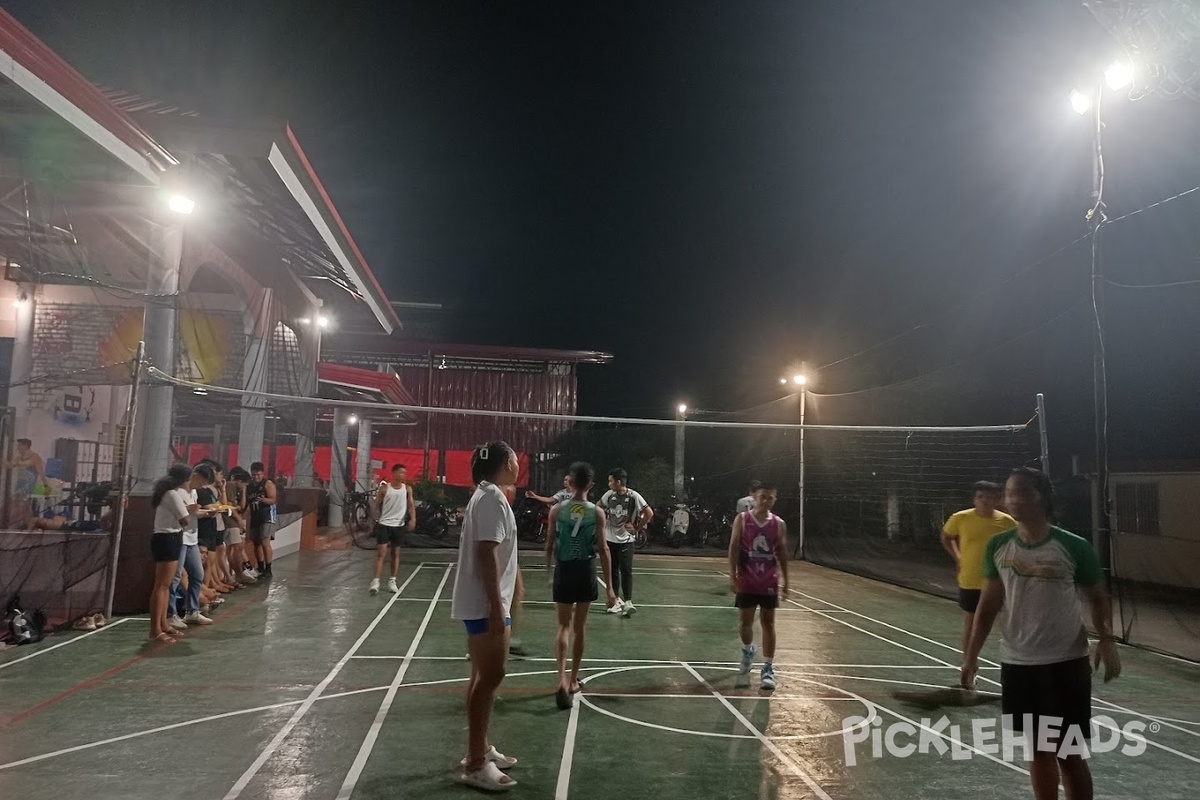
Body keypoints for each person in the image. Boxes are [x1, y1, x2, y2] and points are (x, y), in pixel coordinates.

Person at [962, 467, 1120, 800]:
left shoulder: (1073, 546)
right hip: (1019, 663)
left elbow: (1097, 597)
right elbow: (988, 606)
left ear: (1043, 498)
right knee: (1039, 751)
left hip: (1066, 663)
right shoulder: (999, 546)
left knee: (1069, 752)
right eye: (1008, 493)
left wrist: (1106, 639)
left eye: (1021, 492)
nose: (1011, 500)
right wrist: (971, 657)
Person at [450, 441, 522, 791]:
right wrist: (497, 607)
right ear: (506, 462)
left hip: (483, 602)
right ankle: (476, 764)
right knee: (491, 678)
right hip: (485, 605)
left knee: (481, 678)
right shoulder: (492, 498)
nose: (518, 463)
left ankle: (481, 749)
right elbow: (485, 552)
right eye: (514, 458)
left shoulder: (486, 494)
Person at [545, 462, 617, 709]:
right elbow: (604, 549)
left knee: (563, 626)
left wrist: (548, 569)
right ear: (591, 485)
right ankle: (574, 677)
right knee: (580, 625)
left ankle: (561, 679)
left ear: (570, 482)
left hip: (564, 568)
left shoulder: (557, 510)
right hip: (585, 570)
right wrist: (610, 588)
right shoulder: (596, 512)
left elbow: (549, 543)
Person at [941, 480, 1017, 658]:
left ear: (996, 500)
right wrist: (957, 556)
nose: (984, 501)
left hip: (997, 580)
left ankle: (1015, 659)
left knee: (998, 622)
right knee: (972, 621)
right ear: (974, 499)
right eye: (980, 497)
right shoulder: (961, 518)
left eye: (989, 497)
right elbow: (946, 536)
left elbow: (1019, 543)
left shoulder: (1007, 522)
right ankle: (969, 663)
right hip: (971, 578)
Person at [727, 482, 789, 690]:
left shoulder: (778, 524)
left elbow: (782, 552)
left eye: (770, 498)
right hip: (747, 578)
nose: (765, 501)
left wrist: (786, 581)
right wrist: (732, 575)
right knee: (745, 624)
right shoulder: (743, 520)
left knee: (768, 623)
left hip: (769, 580)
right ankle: (747, 650)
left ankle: (768, 668)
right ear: (754, 497)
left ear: (774, 500)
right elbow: (734, 547)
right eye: (762, 496)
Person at [598, 468, 652, 616]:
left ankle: (628, 601)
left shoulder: (634, 496)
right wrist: (603, 517)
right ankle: (614, 602)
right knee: (613, 570)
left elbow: (649, 513)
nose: (609, 484)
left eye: (610, 481)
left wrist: (637, 528)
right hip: (610, 538)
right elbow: (597, 507)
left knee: (626, 570)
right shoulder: (609, 495)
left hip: (627, 540)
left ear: (618, 482)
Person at [149, 464, 192, 644]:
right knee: (162, 586)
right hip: (168, 539)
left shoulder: (165, 492)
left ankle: (163, 624)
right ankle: (155, 630)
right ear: (184, 480)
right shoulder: (173, 495)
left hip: (165, 538)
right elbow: (186, 520)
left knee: (165, 586)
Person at [168, 464, 215, 627]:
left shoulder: (193, 493)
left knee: (197, 574)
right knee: (175, 577)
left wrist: (208, 513)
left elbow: (194, 514)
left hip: (192, 538)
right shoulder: (175, 493)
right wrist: (190, 509)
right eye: (201, 480)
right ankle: (171, 614)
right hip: (180, 538)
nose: (202, 485)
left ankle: (192, 611)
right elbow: (178, 514)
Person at [370, 463, 416, 595]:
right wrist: (374, 519)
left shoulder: (407, 489)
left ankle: (392, 581)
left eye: (405, 473)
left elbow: (411, 506)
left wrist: (413, 519)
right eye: (401, 473)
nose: (404, 475)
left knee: (395, 554)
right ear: (394, 473)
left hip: (399, 526)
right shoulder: (385, 489)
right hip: (385, 525)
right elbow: (375, 504)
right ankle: (375, 581)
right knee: (381, 554)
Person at [246, 462, 278, 578]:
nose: (256, 477)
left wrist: (263, 500)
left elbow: (273, 500)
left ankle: (268, 569)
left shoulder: (267, 484)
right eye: (254, 475)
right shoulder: (249, 487)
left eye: (258, 475)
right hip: (255, 516)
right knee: (256, 543)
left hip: (267, 516)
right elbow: (246, 504)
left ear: (262, 473)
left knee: (265, 542)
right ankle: (260, 566)